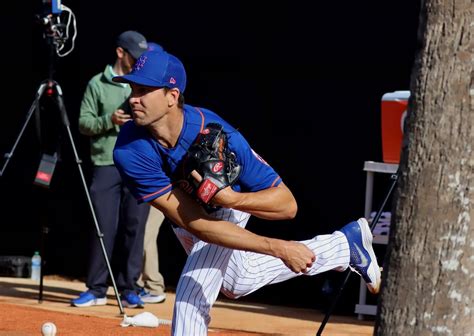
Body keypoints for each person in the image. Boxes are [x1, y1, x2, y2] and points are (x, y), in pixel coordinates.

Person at [112, 50, 381, 335]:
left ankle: (343, 245)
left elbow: (287, 205)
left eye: (143, 90)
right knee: (238, 282)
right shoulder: (130, 149)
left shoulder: (218, 135)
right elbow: (194, 222)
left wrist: (231, 199)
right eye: (132, 88)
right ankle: (343, 246)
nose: (133, 98)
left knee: (191, 298)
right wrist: (280, 248)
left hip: (228, 206)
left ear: (172, 96)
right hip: (192, 217)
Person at [72, 30, 150, 309]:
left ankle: (129, 287)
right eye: (135, 57)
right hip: (106, 162)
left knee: (135, 226)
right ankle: (96, 289)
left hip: (139, 164)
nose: (139, 62)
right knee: (103, 227)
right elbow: (83, 123)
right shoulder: (98, 83)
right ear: (120, 53)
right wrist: (110, 119)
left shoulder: (143, 84)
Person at [134, 41, 167, 304]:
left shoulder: (163, 104)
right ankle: (137, 283)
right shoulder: (140, 104)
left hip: (163, 182)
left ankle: (154, 286)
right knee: (137, 232)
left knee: (146, 233)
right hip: (145, 180)